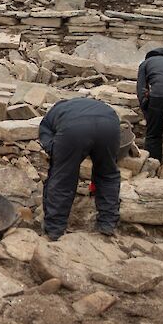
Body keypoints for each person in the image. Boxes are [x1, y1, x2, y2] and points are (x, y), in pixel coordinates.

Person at [38, 97, 122, 241]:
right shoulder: (92, 105)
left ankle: (54, 230)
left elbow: (47, 139)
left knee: (63, 179)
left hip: (74, 130)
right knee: (107, 175)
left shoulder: (49, 118)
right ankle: (107, 224)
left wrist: (57, 153)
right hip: (109, 125)